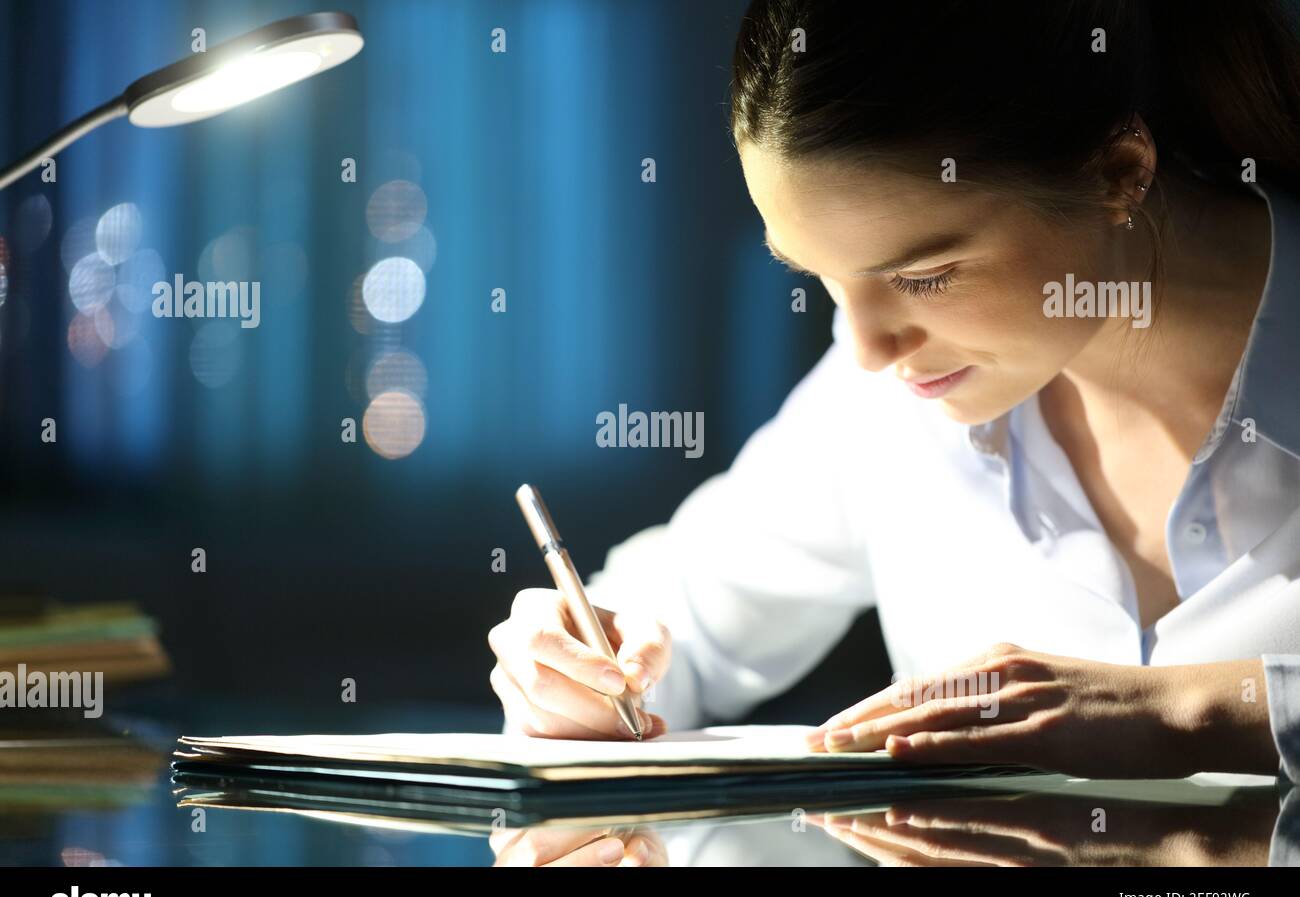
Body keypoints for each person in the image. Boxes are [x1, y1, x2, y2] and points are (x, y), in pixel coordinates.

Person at [487, 0, 1300, 783]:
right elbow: (685, 619)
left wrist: (1190, 712)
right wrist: (578, 664)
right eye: (823, 279)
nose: (871, 351)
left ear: (1120, 173)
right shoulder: (891, 392)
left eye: (924, 276)